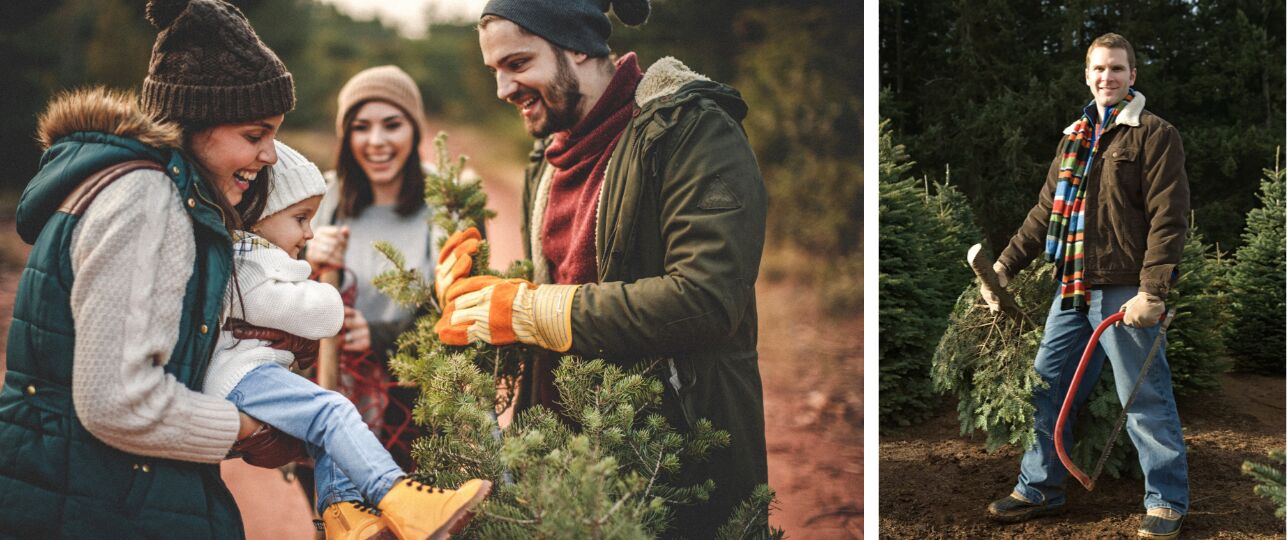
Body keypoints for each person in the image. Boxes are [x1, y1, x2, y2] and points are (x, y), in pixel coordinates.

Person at [436, 0, 770, 535]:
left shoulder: (692, 132)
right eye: (495, 71)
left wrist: (527, 310)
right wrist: (483, 299)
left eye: (518, 64)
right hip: (560, 469)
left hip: (669, 467)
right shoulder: (548, 157)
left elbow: (708, 299)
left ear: (578, 46)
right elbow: (567, 288)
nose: (502, 90)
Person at [0, 0, 309, 536]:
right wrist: (250, 427)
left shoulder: (154, 193)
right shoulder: (144, 197)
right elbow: (117, 403)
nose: (271, 157)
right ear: (195, 122)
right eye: (255, 135)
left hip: (96, 492)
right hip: (91, 507)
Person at [205, 141, 491, 540]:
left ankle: (344, 515)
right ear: (259, 217)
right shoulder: (248, 262)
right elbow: (323, 315)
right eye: (300, 218)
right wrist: (318, 277)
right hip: (241, 379)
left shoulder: (251, 256)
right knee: (333, 412)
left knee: (325, 427)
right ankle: (398, 496)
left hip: (246, 376)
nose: (308, 231)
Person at [978, 33, 1190, 539]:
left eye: (1117, 69)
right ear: (1087, 75)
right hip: (1071, 289)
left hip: (1124, 290)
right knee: (1044, 389)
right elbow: (1045, 211)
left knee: (1143, 399)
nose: (1107, 78)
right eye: (1098, 69)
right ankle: (1040, 487)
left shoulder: (1155, 135)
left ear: (1132, 75)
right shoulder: (1074, 136)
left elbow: (1169, 219)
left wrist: (1152, 291)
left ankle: (1166, 501)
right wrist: (1005, 265)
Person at [305, 65, 438, 470]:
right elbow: (267, 290)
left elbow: (460, 312)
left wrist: (378, 335)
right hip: (330, 395)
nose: (376, 141)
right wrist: (304, 257)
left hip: (410, 404)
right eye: (361, 127)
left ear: (414, 129)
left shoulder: (444, 200)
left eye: (392, 125)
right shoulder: (320, 198)